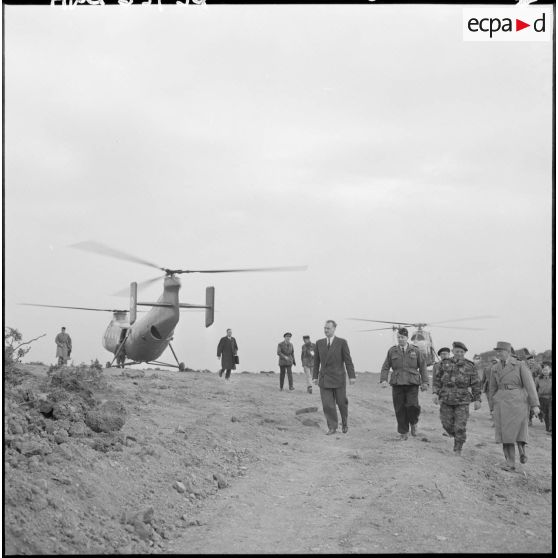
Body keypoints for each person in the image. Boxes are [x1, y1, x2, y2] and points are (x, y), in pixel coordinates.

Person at [489, 341, 540, 471]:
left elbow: (530, 385)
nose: (498, 353)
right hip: (501, 402)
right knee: (505, 433)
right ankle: (510, 463)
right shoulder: (494, 368)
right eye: (497, 351)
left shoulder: (520, 365)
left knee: (518, 429)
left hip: (518, 401)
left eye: (500, 351)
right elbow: (492, 388)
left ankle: (522, 450)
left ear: (508, 352)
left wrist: (535, 404)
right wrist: (491, 406)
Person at [432, 341, 482, 455]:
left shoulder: (470, 366)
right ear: (453, 351)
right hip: (446, 398)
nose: (459, 353)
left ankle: (458, 448)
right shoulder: (444, 364)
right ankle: (458, 437)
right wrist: (435, 393)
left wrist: (478, 399)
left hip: (462, 400)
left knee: (460, 426)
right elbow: (437, 380)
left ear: (464, 353)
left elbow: (476, 384)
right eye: (457, 351)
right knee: (446, 424)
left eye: (461, 352)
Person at [380, 327, 429, 440]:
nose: (400, 339)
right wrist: (383, 380)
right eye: (398, 337)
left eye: (402, 337)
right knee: (399, 408)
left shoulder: (415, 350)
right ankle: (403, 432)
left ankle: (413, 422)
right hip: (397, 383)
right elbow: (385, 366)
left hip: (412, 383)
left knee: (412, 406)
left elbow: (422, 367)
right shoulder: (392, 351)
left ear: (407, 338)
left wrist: (425, 382)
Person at [313, 320, 355, 435]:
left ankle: (345, 422)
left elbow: (348, 360)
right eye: (325, 328)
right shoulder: (319, 343)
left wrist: (352, 376)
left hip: (338, 378)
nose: (326, 330)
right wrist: (315, 376)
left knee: (342, 403)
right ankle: (332, 427)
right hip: (324, 379)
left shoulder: (342, 342)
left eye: (328, 328)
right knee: (327, 405)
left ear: (334, 329)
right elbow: (316, 362)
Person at [432, 347, 451, 437]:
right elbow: (435, 381)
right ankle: (448, 430)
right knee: (444, 412)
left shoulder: (454, 364)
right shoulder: (436, 366)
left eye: (446, 354)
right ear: (439, 355)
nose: (444, 355)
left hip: (453, 392)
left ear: (449, 354)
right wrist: (435, 393)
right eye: (442, 354)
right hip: (442, 392)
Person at [526, 354, 543, 425]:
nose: (531, 362)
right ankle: (529, 419)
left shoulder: (538, 367)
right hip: (526, 388)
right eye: (530, 361)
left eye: (532, 361)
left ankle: (538, 416)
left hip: (534, 387)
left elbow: (541, 376)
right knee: (527, 404)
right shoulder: (524, 367)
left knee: (534, 403)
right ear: (527, 361)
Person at [535, 362, 552, 434]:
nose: (545, 371)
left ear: (550, 370)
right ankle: (548, 428)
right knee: (545, 414)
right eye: (544, 370)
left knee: (550, 414)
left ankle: (551, 429)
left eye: (547, 370)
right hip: (541, 398)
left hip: (551, 398)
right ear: (542, 371)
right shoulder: (538, 378)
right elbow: (535, 389)